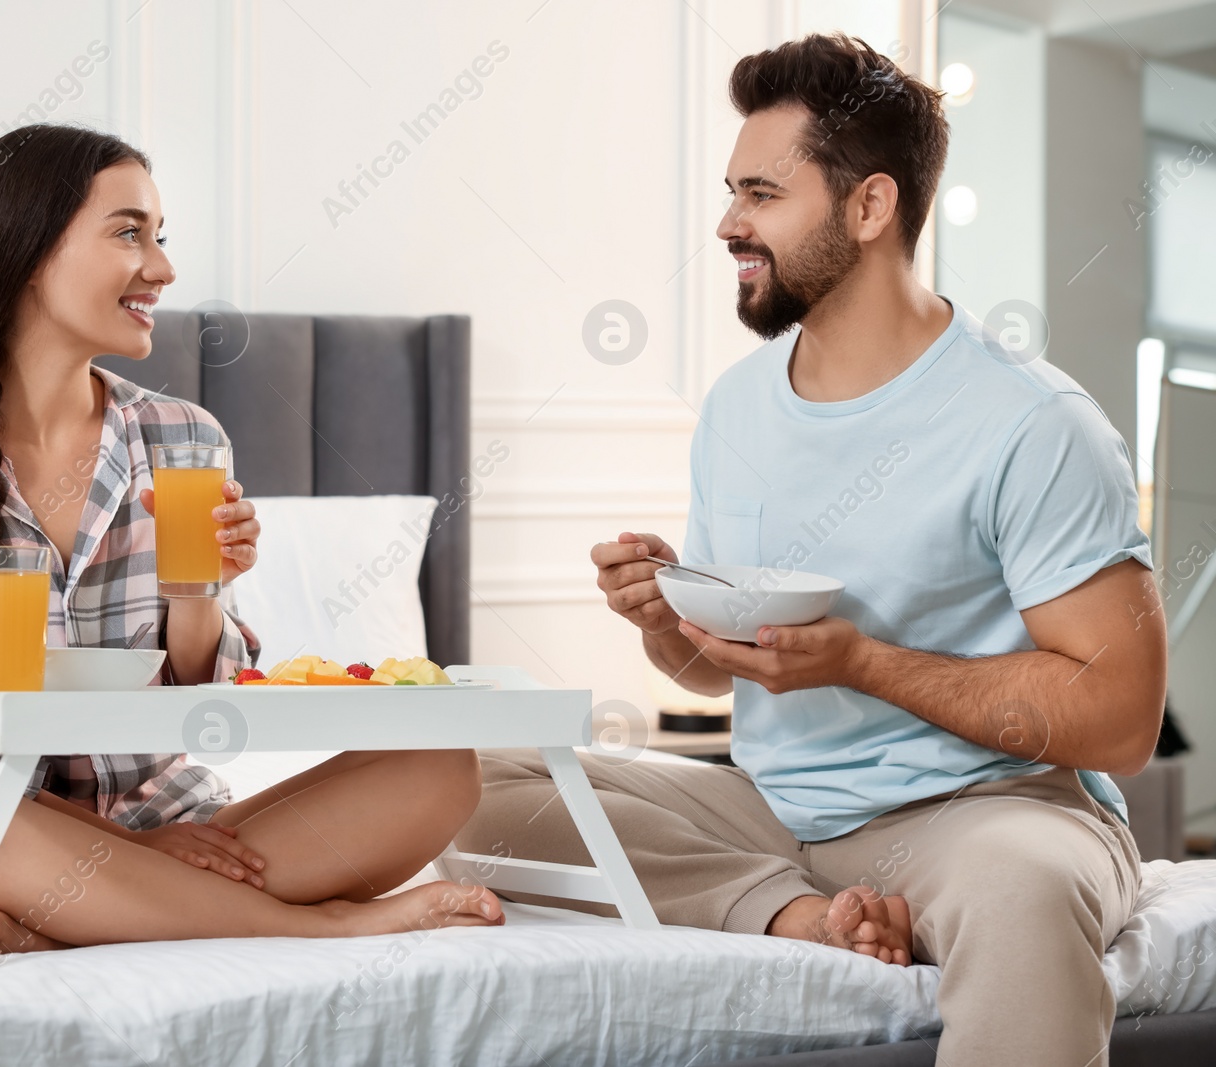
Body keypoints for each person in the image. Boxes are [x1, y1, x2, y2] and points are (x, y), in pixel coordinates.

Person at [457, 33, 1164, 1066]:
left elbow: (1118, 717)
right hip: (774, 812)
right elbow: (717, 667)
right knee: (465, 776)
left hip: (983, 810)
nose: (728, 223)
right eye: (732, 191)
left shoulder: (1032, 422)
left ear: (869, 208)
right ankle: (797, 915)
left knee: (1022, 883)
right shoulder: (740, 404)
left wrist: (861, 660)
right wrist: (670, 616)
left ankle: (873, 901)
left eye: (760, 194)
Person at [0, 123, 500, 958]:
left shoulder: (186, 440)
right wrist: (133, 853)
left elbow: (202, 700)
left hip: (178, 824)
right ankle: (315, 923)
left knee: (437, 765)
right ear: (31, 252)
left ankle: (66, 920)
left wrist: (197, 591)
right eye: (129, 233)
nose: (164, 269)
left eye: (161, 237)